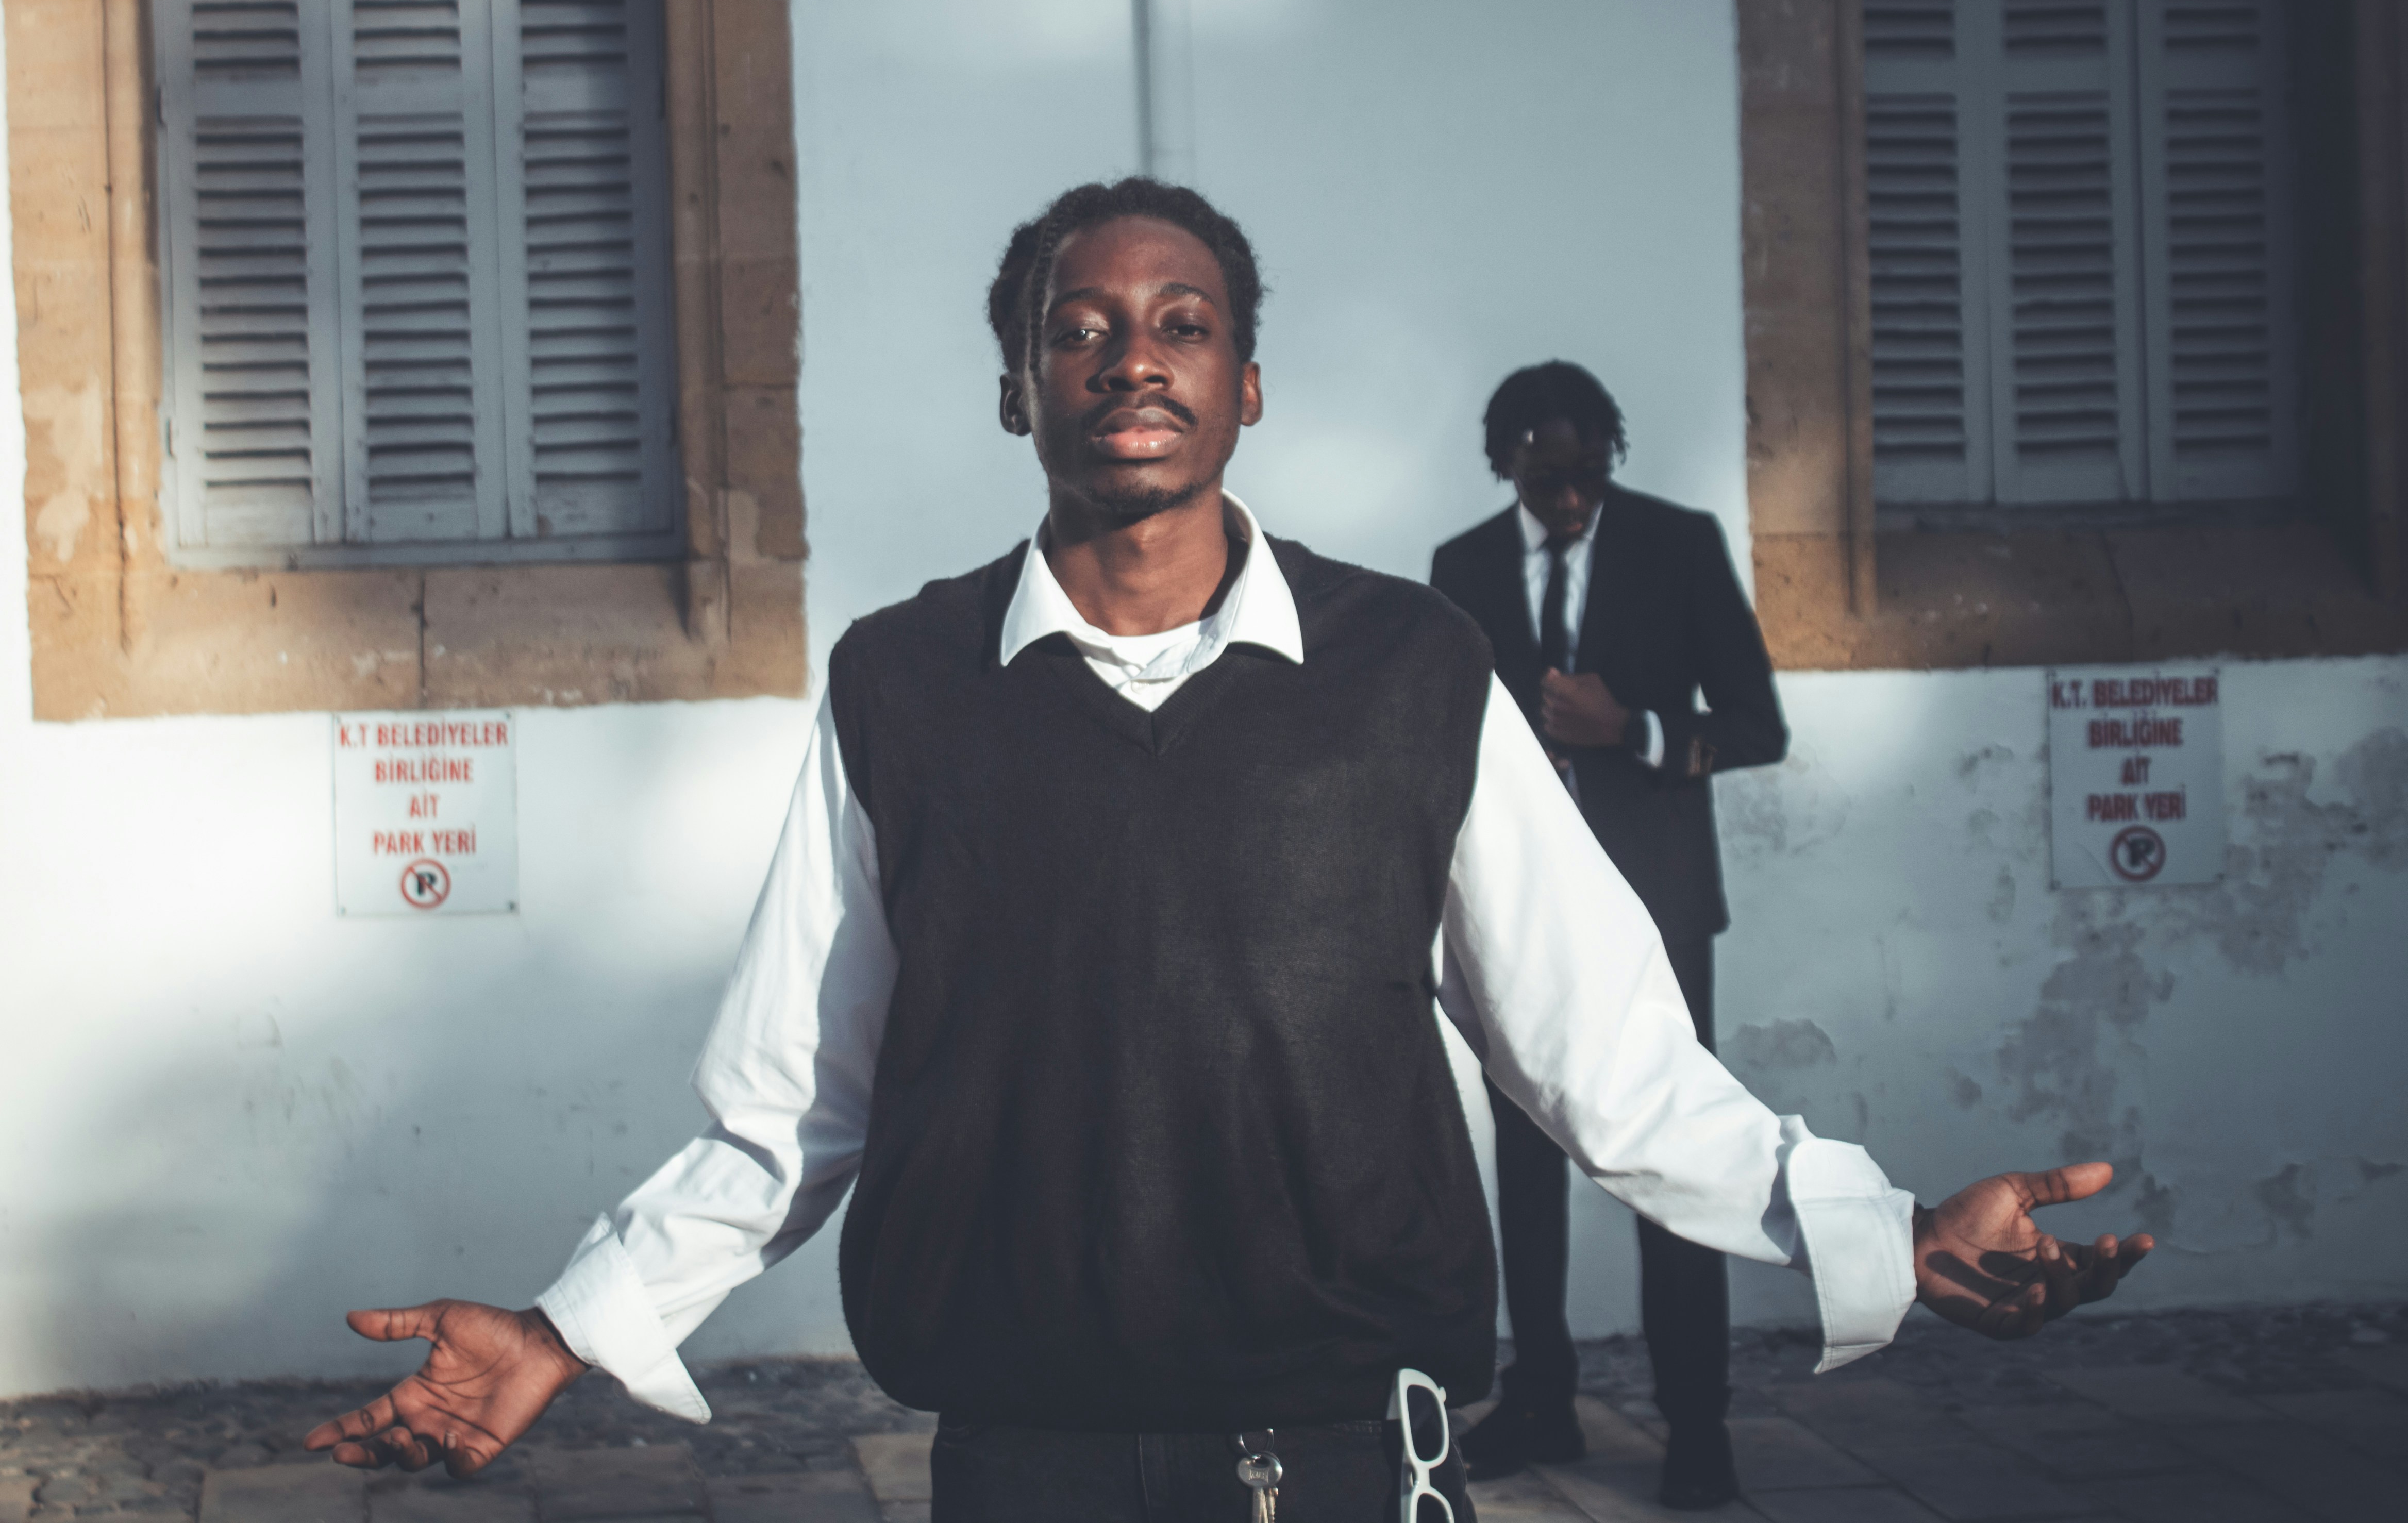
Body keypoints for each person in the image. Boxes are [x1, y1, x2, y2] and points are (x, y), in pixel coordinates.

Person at [303, 179, 2152, 1521]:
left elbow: (1611, 1062)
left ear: (1247, 382)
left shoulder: (1410, 670)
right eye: (1079, 327)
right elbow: (793, 1106)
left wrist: (1889, 1236)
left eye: (1182, 321)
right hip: (1018, 1452)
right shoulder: (904, 682)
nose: (1133, 356)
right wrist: (566, 1322)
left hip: (1342, 1448)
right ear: (1018, 387)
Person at [1431, 362, 1785, 1504]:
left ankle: (1698, 1425)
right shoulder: (1462, 568)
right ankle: (1539, 1399)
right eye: (1548, 482)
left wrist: (1629, 729)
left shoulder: (1678, 545)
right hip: (1514, 915)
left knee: (1672, 1160)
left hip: (1658, 913)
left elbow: (1755, 725)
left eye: (1589, 475)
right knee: (1526, 1169)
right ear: (1507, 469)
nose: (1572, 500)